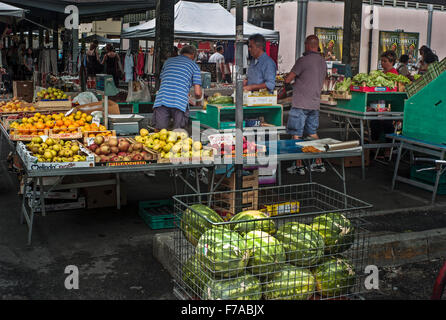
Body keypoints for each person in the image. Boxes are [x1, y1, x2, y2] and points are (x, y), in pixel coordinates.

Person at [284, 35, 327, 175]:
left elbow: (288, 79)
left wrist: (288, 79)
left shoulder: (302, 61)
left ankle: (299, 165)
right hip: (314, 103)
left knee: (296, 134)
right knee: (312, 133)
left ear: (308, 45)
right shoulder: (322, 61)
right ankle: (318, 163)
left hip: (300, 103)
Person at [152, 45, 202, 130]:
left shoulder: (168, 61)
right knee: (179, 134)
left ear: (181, 52)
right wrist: (198, 100)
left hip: (162, 99)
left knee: (159, 133)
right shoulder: (194, 66)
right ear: (193, 55)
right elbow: (197, 93)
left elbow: (164, 82)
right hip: (180, 101)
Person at [370, 51, 399, 143]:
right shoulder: (382, 73)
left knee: (386, 125)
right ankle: (375, 147)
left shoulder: (393, 74)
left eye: (385, 61)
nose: (382, 63)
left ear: (391, 62)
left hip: (388, 105)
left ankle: (386, 150)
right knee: (374, 123)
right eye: (381, 61)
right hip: (379, 105)